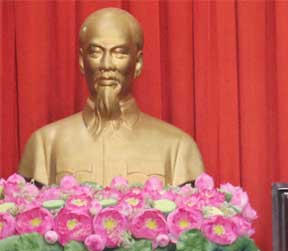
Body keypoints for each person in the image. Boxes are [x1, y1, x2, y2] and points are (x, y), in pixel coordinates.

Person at [18, 8, 204, 187]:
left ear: (138, 63)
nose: (106, 64)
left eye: (119, 53)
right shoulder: (45, 144)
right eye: (95, 52)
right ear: (82, 61)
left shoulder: (178, 147)